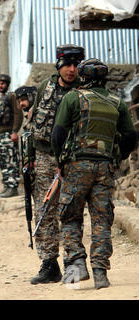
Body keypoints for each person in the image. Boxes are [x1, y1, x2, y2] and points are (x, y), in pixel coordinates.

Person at [52, 58, 137, 289]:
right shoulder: (116, 103)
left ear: (83, 77)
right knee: (102, 220)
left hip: (76, 167)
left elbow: (58, 134)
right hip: (105, 168)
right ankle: (101, 273)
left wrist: (60, 161)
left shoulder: (72, 98)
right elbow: (130, 137)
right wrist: (117, 156)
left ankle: (78, 263)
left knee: (70, 216)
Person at [27, 44, 84, 285]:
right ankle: (50, 264)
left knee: (71, 209)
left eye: (76, 65)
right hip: (44, 158)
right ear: (59, 65)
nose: (72, 70)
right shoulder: (44, 88)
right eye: (67, 65)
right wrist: (29, 158)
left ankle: (74, 262)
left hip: (73, 159)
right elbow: (32, 124)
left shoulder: (84, 90)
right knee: (44, 210)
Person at [0, 74, 23, 198]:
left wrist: (15, 131)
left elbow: (18, 114)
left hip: (9, 135)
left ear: (7, 84)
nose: (0, 86)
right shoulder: (1, 98)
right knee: (3, 162)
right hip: (1, 136)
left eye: (3, 84)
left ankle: (13, 188)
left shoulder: (12, 96)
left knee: (11, 161)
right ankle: (6, 187)